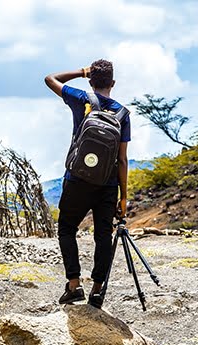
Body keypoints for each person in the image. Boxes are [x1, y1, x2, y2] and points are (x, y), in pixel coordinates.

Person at [44, 59, 131, 308]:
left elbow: (50, 79)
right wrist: (123, 198)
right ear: (113, 84)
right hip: (107, 184)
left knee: (66, 229)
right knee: (103, 235)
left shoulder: (82, 99)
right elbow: (122, 159)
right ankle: (97, 289)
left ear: (91, 81)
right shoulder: (123, 113)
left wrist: (81, 72)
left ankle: (74, 285)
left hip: (77, 179)